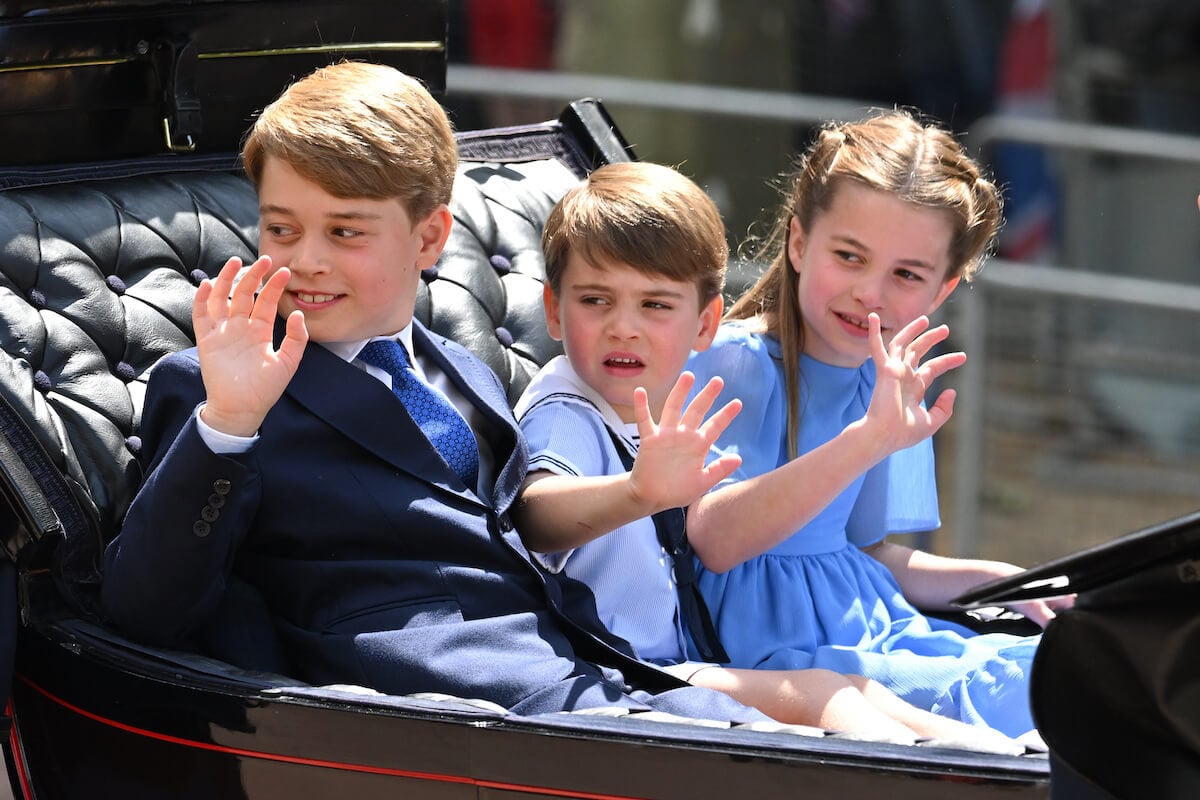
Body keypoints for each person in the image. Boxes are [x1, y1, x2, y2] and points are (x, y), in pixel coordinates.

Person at [98, 61, 767, 724]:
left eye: (345, 231)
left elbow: (514, 532)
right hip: (436, 704)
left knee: (816, 741)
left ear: (429, 237)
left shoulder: (463, 370)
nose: (305, 259)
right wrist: (229, 423)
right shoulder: (217, 388)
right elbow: (145, 610)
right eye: (281, 229)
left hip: (582, 665)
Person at [512, 160, 1021, 748]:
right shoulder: (568, 407)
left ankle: (1004, 761)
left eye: (654, 306)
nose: (624, 327)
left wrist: (1003, 581)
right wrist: (636, 492)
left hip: (680, 657)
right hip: (624, 671)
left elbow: (867, 551)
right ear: (553, 309)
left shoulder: (650, 407)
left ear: (702, 323)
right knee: (825, 694)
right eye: (596, 300)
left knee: (859, 692)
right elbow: (534, 513)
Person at [684, 109, 1073, 739]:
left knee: (1057, 665)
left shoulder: (888, 379)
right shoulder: (728, 362)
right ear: (799, 243)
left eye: (906, 275)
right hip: (787, 658)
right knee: (1039, 694)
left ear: (941, 291)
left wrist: (998, 580)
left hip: (880, 629)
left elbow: (870, 555)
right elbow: (715, 542)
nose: (871, 292)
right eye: (849, 255)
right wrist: (867, 439)